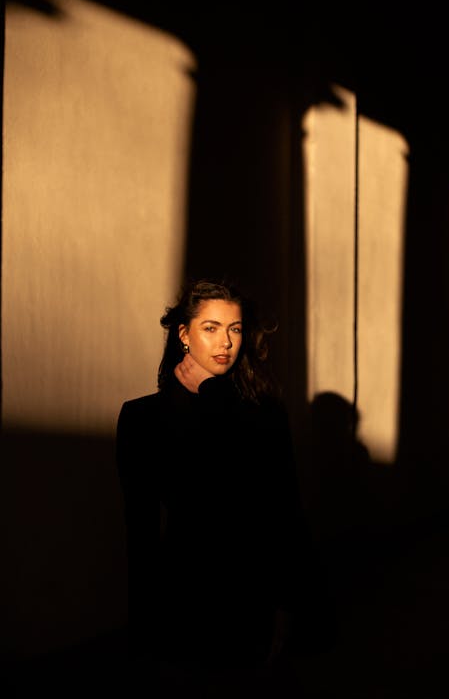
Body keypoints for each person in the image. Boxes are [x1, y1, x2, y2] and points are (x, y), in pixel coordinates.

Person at [116, 278, 304, 692]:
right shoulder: (142, 418)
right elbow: (142, 531)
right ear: (184, 334)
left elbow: (283, 513)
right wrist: (142, 631)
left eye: (234, 329)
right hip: (180, 603)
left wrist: (287, 602)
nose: (226, 343)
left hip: (251, 602)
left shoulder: (265, 414)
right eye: (211, 328)